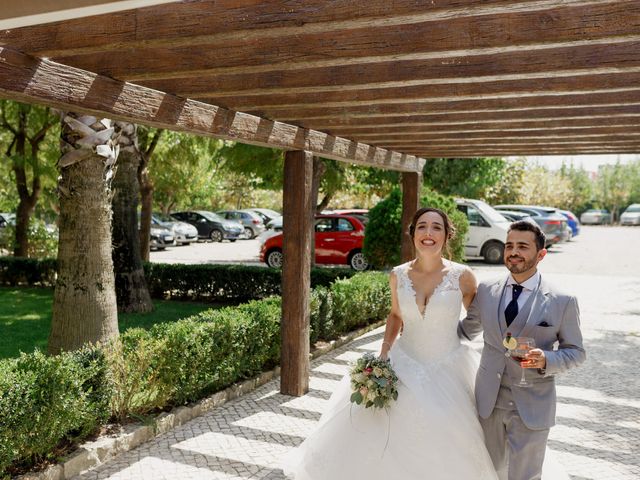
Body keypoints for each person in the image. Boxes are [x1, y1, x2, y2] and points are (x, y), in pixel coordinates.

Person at [283, 207, 499, 479]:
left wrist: (468, 340)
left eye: (436, 227)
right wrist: (383, 354)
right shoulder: (398, 274)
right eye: (422, 226)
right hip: (403, 361)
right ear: (412, 234)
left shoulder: (463, 276)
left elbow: (477, 316)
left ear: (447, 235)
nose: (428, 233)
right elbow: (396, 314)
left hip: (450, 366)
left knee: (448, 427)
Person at [459, 220, 586, 480]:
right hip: (488, 403)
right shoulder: (485, 290)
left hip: (532, 404)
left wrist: (546, 359)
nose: (513, 252)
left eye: (522, 247)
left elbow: (576, 351)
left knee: (525, 477)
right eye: (509, 245)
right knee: (485, 473)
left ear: (541, 254)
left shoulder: (563, 300)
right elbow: (465, 331)